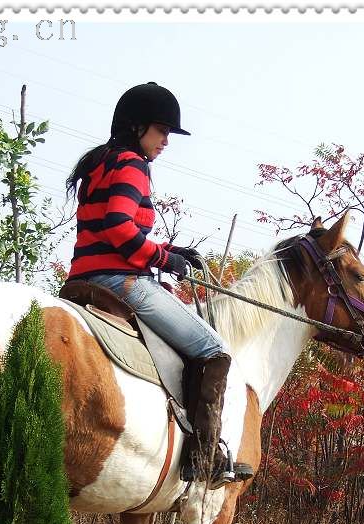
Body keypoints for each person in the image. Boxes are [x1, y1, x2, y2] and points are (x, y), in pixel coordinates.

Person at [64, 81, 250, 488]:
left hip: (81, 279)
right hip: (119, 282)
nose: (166, 140)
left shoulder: (99, 162)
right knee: (213, 350)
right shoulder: (133, 163)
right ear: (137, 127)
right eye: (161, 130)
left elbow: (110, 229)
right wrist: (165, 259)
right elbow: (118, 228)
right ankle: (204, 458)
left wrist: (170, 248)